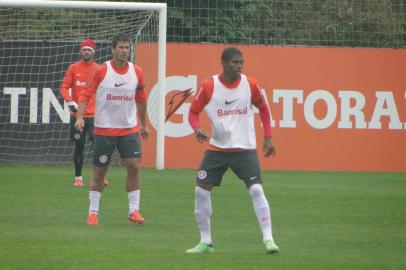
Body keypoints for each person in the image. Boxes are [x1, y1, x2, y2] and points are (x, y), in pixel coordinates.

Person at [186, 47, 279, 254]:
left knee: (256, 190)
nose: (238, 66)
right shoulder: (209, 86)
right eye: (234, 63)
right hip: (217, 149)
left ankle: (269, 239)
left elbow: (263, 108)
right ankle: (206, 242)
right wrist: (197, 128)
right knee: (201, 191)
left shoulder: (250, 84)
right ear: (223, 63)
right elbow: (192, 113)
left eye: (241, 63)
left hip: (244, 149)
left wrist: (268, 137)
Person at [75, 34, 149, 225]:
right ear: (113, 49)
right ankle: (93, 212)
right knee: (100, 172)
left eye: (127, 47)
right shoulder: (101, 71)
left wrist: (144, 125)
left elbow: (141, 99)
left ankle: (134, 211)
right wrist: (80, 117)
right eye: (121, 47)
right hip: (104, 130)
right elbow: (85, 94)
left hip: (128, 129)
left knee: (134, 166)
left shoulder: (137, 71)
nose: (125, 51)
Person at [60, 38, 108, 188]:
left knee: (99, 148)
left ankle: (100, 177)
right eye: (84, 49)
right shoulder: (73, 68)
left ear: (93, 52)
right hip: (77, 117)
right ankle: (78, 177)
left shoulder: (99, 69)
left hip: (94, 116)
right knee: (79, 146)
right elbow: (64, 87)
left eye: (89, 50)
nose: (87, 52)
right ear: (81, 51)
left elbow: (105, 91)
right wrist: (69, 100)